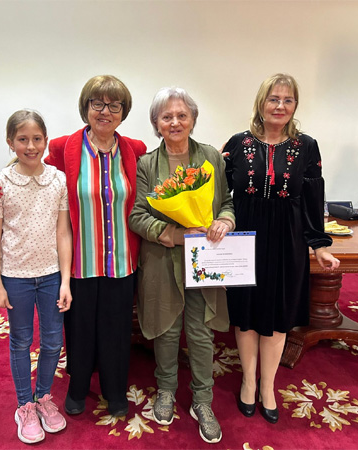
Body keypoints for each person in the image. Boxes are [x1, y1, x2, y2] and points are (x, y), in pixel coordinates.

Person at [0, 75, 147, 418]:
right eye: (97, 104)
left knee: (116, 327)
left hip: (120, 260)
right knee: (79, 327)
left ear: (123, 112)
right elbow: (29, 162)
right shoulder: (64, 147)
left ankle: (115, 390)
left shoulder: (134, 149)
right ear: (86, 108)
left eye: (114, 105)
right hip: (79, 259)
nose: (105, 111)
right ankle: (78, 386)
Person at [222, 73, 339, 424]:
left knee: (278, 314)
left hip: (287, 240)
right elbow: (219, 195)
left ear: (295, 106)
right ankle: (248, 380)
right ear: (261, 103)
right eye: (274, 99)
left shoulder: (307, 146)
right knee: (246, 312)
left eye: (288, 100)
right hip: (245, 237)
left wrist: (319, 245)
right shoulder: (237, 143)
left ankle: (268, 385)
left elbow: (313, 198)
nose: (280, 106)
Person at [129, 87, 235, 444]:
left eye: (181, 115)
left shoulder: (211, 157)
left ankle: (203, 400)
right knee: (167, 329)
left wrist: (225, 221)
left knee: (202, 332)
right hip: (163, 259)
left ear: (192, 119)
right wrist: (175, 234)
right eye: (166, 117)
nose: (174, 122)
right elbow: (137, 216)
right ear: (156, 123)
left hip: (205, 257)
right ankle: (166, 390)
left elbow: (227, 202)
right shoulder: (147, 164)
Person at [0, 109, 73, 444]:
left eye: (37, 139)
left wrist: (65, 281)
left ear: (45, 140)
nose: (31, 146)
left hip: (51, 276)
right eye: (23, 139)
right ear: (10, 142)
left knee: (53, 342)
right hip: (15, 277)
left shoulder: (58, 180)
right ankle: (25, 406)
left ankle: (43, 397)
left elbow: (63, 233)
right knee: (21, 341)